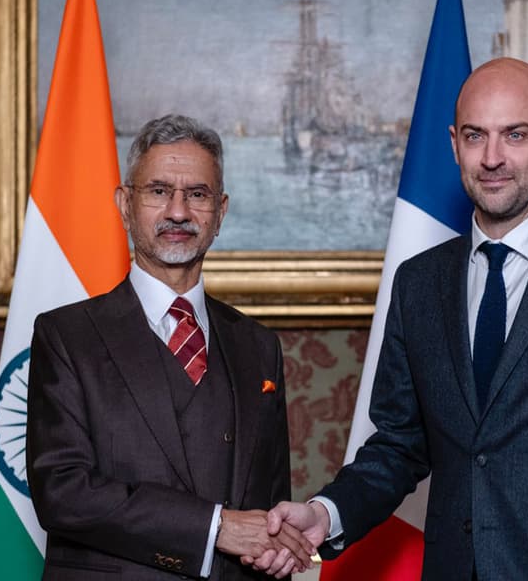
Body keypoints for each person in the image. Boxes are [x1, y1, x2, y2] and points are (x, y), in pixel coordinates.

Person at [262, 58, 528, 580]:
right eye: (475, 136)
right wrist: (324, 514)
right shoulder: (418, 282)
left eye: (515, 134)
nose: (493, 158)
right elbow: (398, 444)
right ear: (453, 144)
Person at [27, 114, 313, 580]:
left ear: (219, 213)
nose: (178, 212)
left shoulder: (258, 347)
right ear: (125, 204)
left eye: (197, 195)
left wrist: (277, 545)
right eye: (158, 191)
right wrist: (214, 527)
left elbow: (266, 508)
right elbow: (62, 492)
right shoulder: (66, 337)